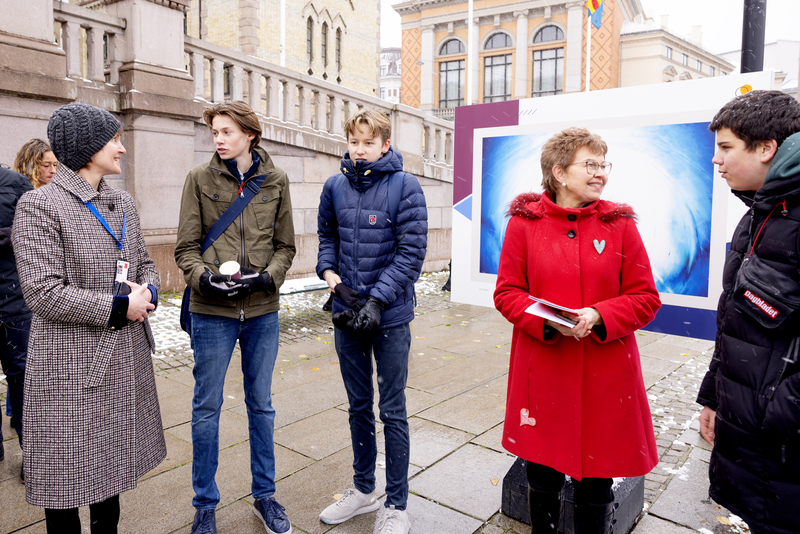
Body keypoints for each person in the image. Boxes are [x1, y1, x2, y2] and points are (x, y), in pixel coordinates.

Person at [493, 127, 661, 534]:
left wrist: (600, 315)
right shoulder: (524, 225)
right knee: (543, 479)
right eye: (590, 164)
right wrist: (545, 321)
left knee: (596, 484)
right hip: (544, 370)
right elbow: (507, 293)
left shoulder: (619, 226)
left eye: (603, 164)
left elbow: (646, 298)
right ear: (559, 173)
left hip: (605, 377)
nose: (600, 172)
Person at [11, 103, 165, 533]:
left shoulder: (122, 202)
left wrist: (148, 290)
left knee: (108, 480)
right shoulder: (39, 205)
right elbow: (43, 293)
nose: (122, 148)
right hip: (67, 366)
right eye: (114, 139)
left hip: (121, 359)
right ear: (87, 148)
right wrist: (120, 307)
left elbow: (146, 264)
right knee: (63, 482)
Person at [174, 101, 296, 534]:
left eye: (227, 132)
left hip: (262, 312)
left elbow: (286, 247)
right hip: (212, 314)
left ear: (250, 135)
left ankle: (265, 496)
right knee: (206, 409)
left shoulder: (275, 181)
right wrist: (204, 280)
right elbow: (185, 249)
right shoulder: (199, 179)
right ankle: (205, 504)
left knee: (260, 407)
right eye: (215, 133)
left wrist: (267, 278)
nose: (219, 139)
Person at [316, 109, 427, 534]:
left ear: (384, 144)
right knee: (358, 406)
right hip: (346, 312)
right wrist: (330, 275)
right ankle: (364, 490)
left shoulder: (405, 186)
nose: (360, 150)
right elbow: (328, 236)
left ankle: (396, 504)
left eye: (368, 142)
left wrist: (378, 301)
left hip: (391, 316)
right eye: (354, 142)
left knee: (392, 409)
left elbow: (411, 251)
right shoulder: (334, 186)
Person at [696, 90, 800, 534]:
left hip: (784, 442)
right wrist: (715, 396)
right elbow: (736, 319)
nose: (716, 161)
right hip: (759, 441)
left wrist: (781, 410)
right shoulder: (759, 213)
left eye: (726, 147)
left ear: (766, 149)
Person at [0, 163, 32, 476]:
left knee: (21, 378)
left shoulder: (17, 183)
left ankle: (31, 453)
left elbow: (37, 232)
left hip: (14, 301)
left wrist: (11, 235)